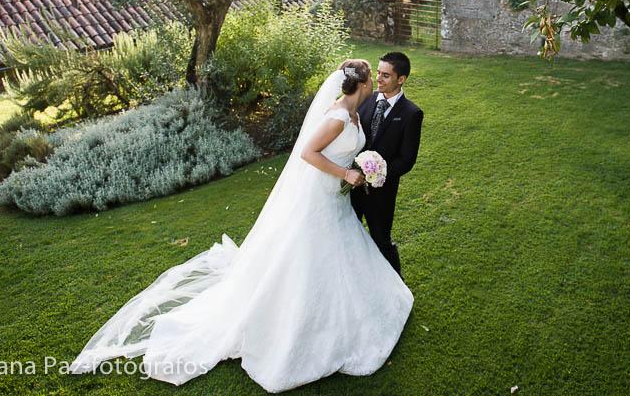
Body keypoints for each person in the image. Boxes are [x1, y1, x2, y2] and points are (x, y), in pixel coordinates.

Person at [68, 59, 414, 392]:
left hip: (335, 199)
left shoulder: (353, 110)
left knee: (339, 251)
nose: (378, 83)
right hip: (321, 197)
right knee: (308, 254)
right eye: (374, 77)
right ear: (363, 83)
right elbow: (308, 153)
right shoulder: (338, 116)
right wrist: (347, 173)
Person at [352, 52, 424, 277]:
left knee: (381, 239)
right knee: (349, 235)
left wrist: (378, 176)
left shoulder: (411, 114)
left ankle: (397, 285)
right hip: (351, 187)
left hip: (382, 192)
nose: (379, 79)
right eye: (378, 73)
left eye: (386, 75)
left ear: (400, 79)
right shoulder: (366, 99)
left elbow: (407, 159)